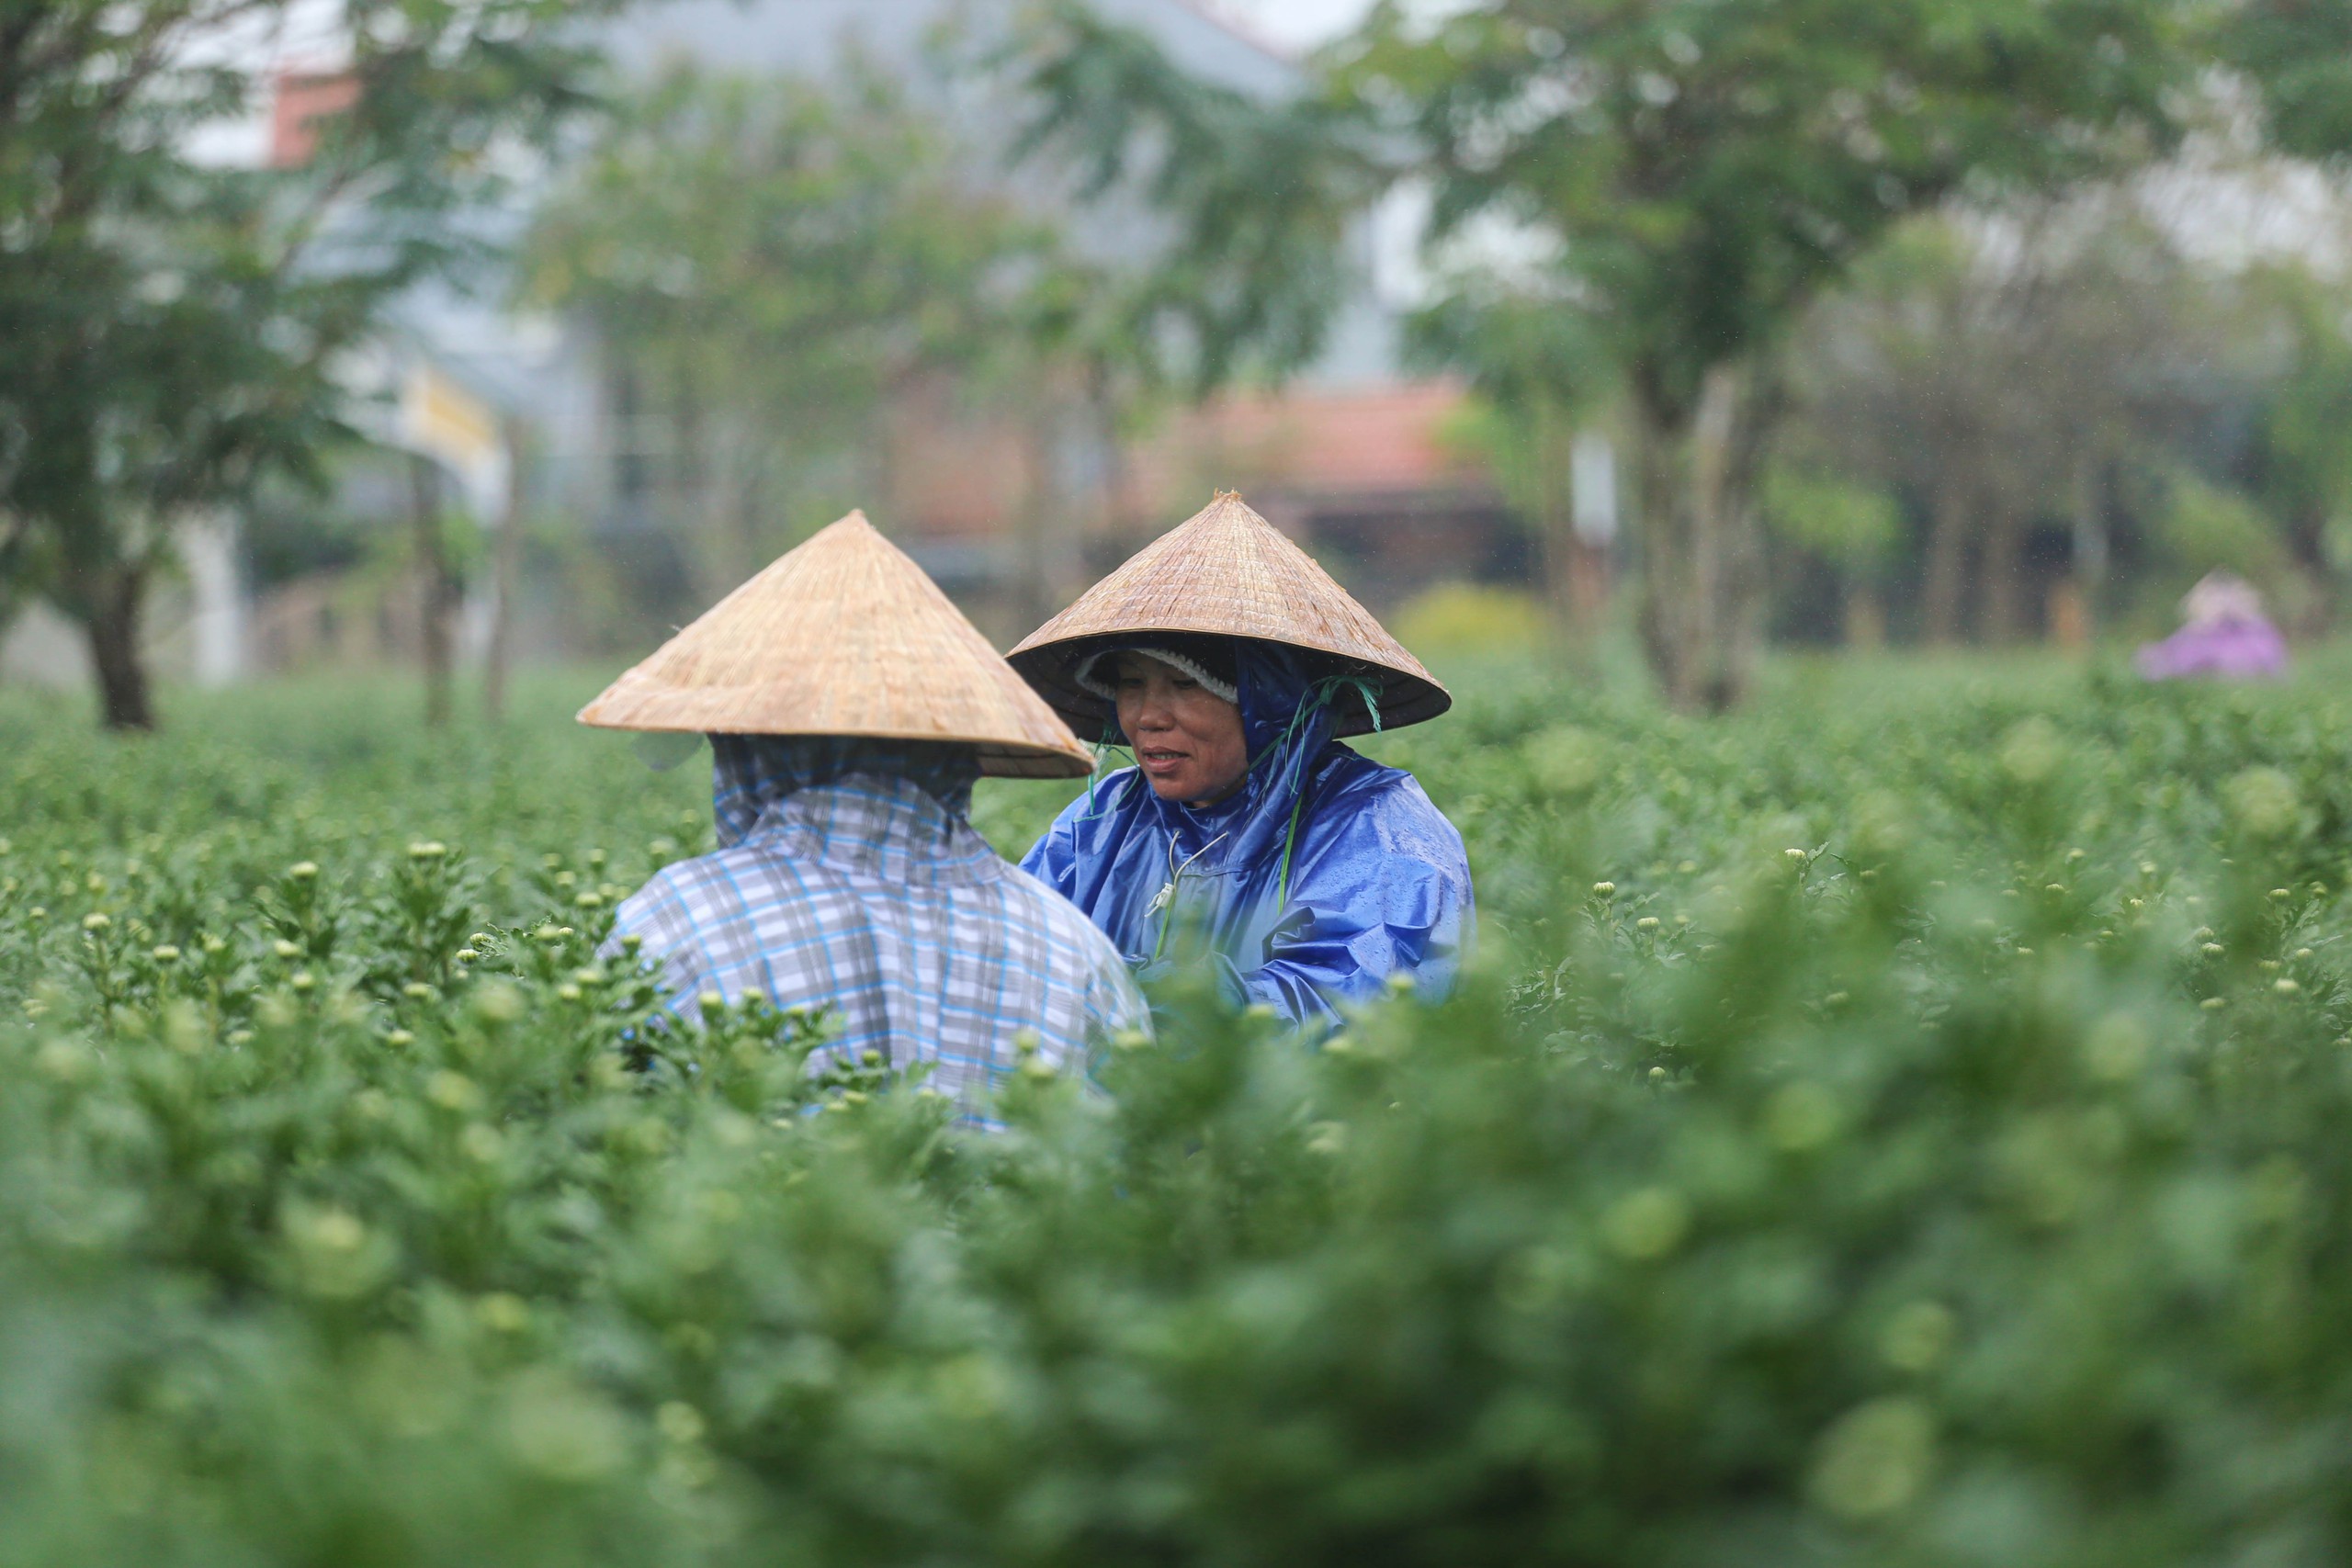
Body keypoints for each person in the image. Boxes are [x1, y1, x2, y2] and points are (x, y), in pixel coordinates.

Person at [581, 511, 1147, 1123]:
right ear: (954, 748)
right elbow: (1129, 1175)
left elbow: (604, 1138)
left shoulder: (678, 923)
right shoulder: (1074, 952)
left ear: (747, 745)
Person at [1008, 491, 1474, 1027]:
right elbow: (1014, 954)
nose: (1147, 717)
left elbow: (1337, 1008)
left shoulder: (1377, 828)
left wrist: (1116, 1002)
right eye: (1131, 685)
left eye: (1185, 684)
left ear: (1266, 704)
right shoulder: (1103, 821)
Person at [2136, 570, 2289, 682]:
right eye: (2214, 599)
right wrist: (2202, 629)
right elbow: (2170, 662)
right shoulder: (2194, 634)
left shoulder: (2257, 632)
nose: (2226, 605)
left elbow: (2274, 662)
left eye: (2235, 598)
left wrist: (2251, 623)